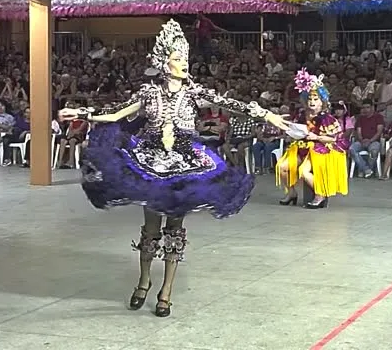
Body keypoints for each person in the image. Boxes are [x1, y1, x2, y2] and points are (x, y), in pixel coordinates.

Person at [58, 20, 286, 318]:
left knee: (174, 230)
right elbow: (115, 113)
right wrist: (82, 112)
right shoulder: (148, 93)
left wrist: (267, 114)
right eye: (178, 59)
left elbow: (230, 103)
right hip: (151, 163)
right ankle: (143, 280)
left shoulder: (194, 92)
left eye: (185, 59)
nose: (184, 64)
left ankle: (166, 290)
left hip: (184, 164)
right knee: (150, 228)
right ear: (164, 63)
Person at [276, 69, 349, 208]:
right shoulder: (301, 115)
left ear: (322, 102)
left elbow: (335, 139)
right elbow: (295, 129)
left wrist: (317, 137)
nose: (312, 102)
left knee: (304, 171)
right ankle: (291, 193)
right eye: (309, 99)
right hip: (300, 146)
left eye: (316, 99)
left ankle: (320, 194)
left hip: (319, 149)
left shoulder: (328, 118)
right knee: (282, 167)